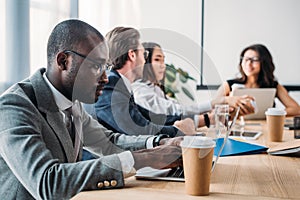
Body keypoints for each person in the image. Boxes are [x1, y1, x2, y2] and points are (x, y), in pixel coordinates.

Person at [0, 19, 183, 199]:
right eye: (96, 66)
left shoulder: (73, 102)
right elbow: (48, 182)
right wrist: (143, 159)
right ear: (64, 61)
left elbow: (108, 141)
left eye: (106, 67)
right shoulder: (14, 106)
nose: (105, 78)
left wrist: (158, 144)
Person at [94, 27, 196, 137]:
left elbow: (149, 116)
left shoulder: (120, 84)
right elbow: (138, 128)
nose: (144, 61)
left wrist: (185, 121)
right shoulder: (110, 84)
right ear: (132, 55)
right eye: (144, 54)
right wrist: (177, 130)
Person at [131, 42, 254, 122]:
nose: (163, 66)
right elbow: (175, 111)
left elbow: (181, 109)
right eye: (157, 60)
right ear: (144, 62)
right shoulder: (140, 91)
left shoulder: (155, 88)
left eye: (163, 60)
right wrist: (220, 102)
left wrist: (219, 112)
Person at [215, 43, 300, 116]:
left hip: (265, 127)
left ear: (264, 63)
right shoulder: (229, 85)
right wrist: (228, 104)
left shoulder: (273, 85)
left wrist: (273, 113)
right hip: (237, 127)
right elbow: (212, 105)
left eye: (254, 60)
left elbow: (296, 109)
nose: (248, 64)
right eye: (246, 59)